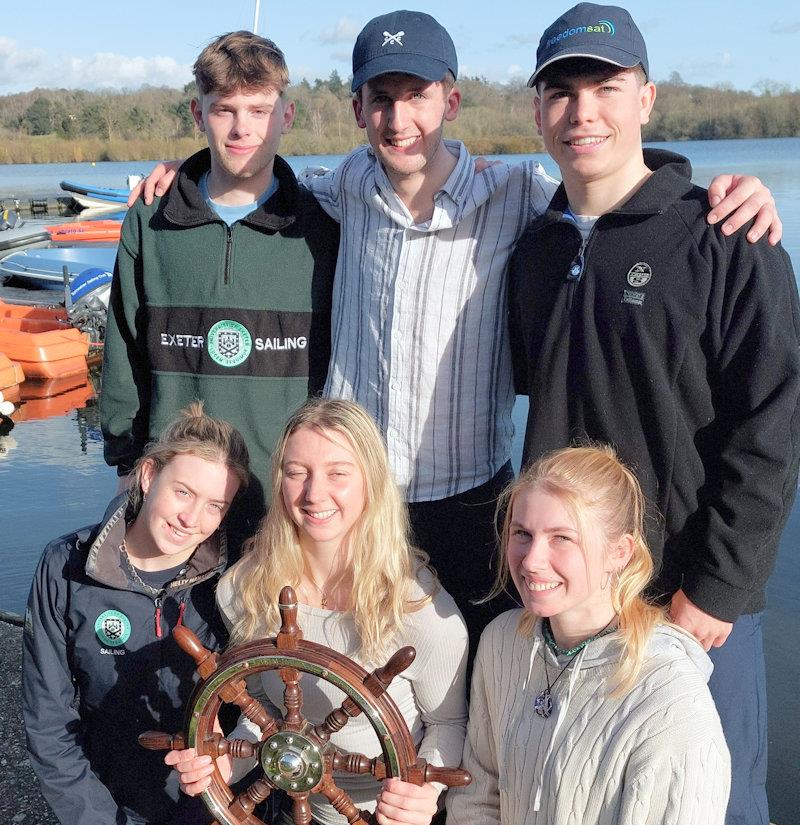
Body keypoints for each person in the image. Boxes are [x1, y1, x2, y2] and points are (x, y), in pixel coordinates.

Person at [132, 11, 782, 656]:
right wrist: (188, 176)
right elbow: (251, 179)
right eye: (380, 100)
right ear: (357, 110)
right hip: (358, 502)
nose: (399, 119)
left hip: (476, 506)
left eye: (417, 96)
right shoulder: (344, 189)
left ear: (452, 100)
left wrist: (719, 199)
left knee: (473, 688)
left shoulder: (519, 196)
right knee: (341, 670)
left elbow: (609, 198)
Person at [507, 5, 800, 825]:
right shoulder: (533, 251)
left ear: (648, 98)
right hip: (568, 588)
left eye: (606, 87)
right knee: (585, 796)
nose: (582, 111)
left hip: (687, 592)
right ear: (537, 112)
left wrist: (720, 586)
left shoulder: (726, 236)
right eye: (561, 92)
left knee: (715, 810)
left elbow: (773, 426)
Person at [164, 398, 468, 825]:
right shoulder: (245, 589)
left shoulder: (423, 611)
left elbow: (450, 723)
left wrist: (426, 791)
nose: (314, 493)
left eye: (338, 473)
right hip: (291, 819)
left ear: (371, 483)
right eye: (296, 472)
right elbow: (263, 712)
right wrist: (228, 762)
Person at [101, 30, 339, 559]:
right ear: (197, 112)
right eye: (224, 109)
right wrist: (124, 463)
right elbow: (123, 349)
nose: (241, 128)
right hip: (175, 502)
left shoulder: (323, 227)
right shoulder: (149, 218)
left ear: (287, 116)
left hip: (282, 505)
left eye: (259, 110)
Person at [446, 445, 731, 825]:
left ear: (620, 552)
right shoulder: (502, 643)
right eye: (522, 534)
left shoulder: (670, 703)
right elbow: (477, 793)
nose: (531, 561)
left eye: (561, 538)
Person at [23, 402, 250, 825]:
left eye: (214, 506)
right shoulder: (65, 568)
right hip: (99, 816)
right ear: (148, 476)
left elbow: (253, 722)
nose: (191, 520)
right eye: (183, 492)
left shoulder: (235, 585)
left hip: (207, 820)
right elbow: (49, 722)